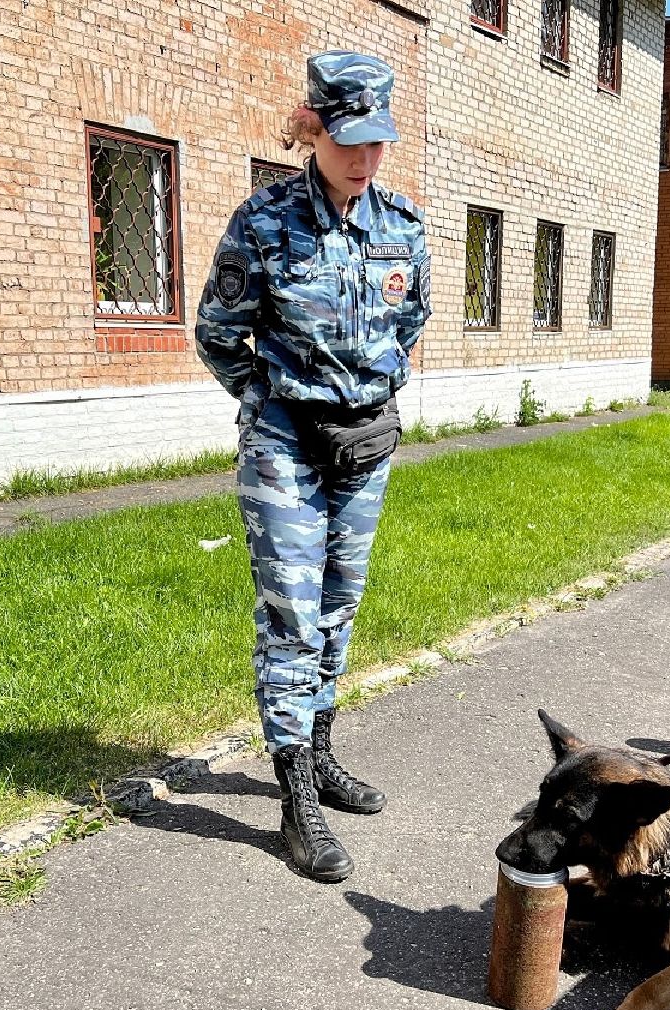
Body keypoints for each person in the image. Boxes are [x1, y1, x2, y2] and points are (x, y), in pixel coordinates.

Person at [195, 51, 432, 883]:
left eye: (379, 143)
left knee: (338, 606)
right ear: (317, 129)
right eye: (351, 141)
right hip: (286, 445)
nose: (366, 160)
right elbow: (219, 334)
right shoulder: (262, 223)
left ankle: (322, 755)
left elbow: (412, 323)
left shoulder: (403, 226)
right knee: (291, 613)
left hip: (364, 444)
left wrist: (369, 397)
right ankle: (294, 791)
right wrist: (278, 402)